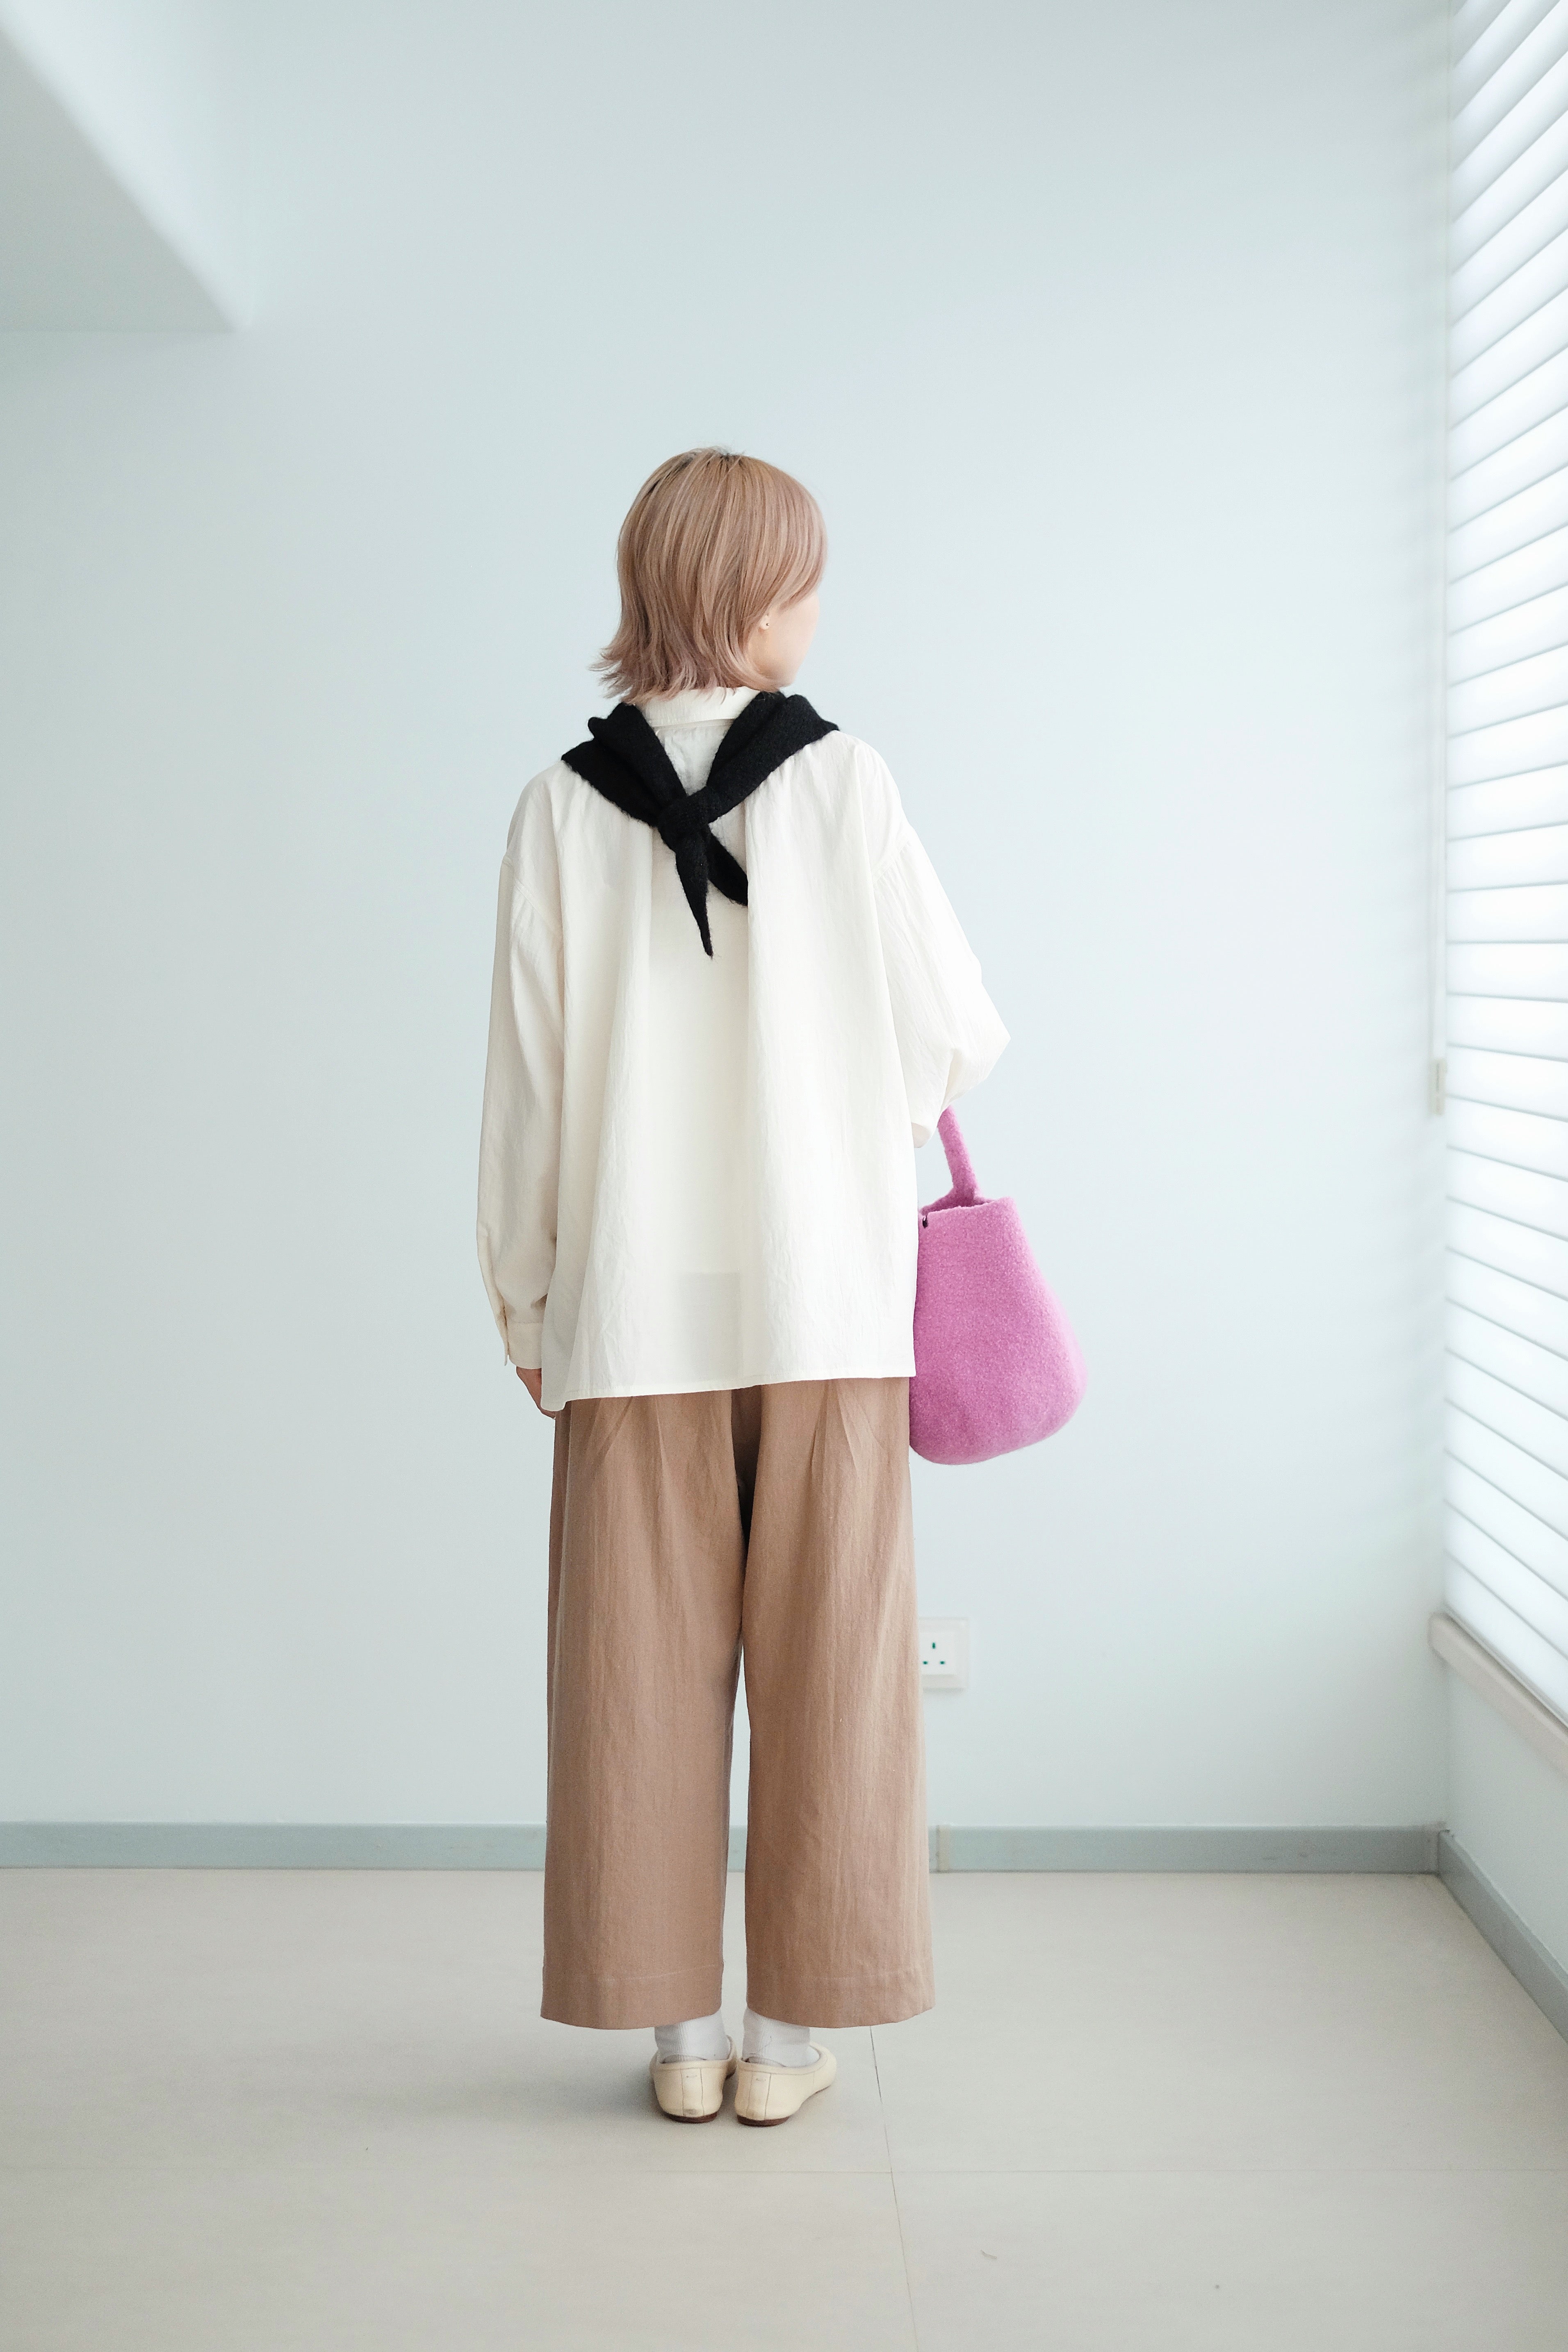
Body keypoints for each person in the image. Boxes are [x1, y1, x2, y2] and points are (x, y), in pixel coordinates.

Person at [477, 447, 1007, 2125]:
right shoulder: (844, 783)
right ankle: (790, 2040)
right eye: (807, 575)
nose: (818, 605)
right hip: (824, 1298)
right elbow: (953, 1035)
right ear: (758, 592)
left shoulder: (559, 805)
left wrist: (528, 1301)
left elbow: (528, 1085)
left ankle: (678, 2039)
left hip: (632, 1303)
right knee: (835, 1667)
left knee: (630, 1676)